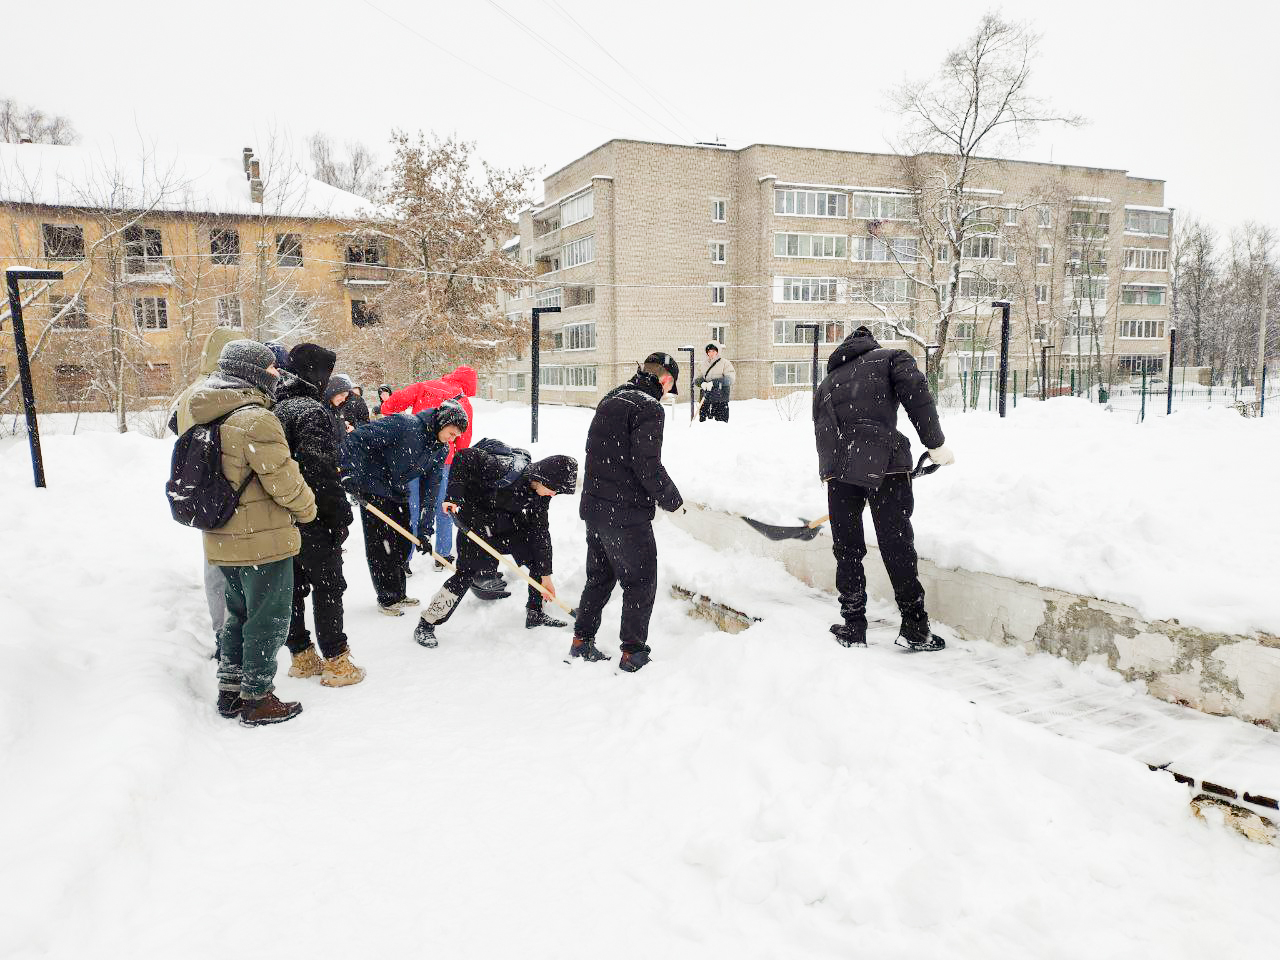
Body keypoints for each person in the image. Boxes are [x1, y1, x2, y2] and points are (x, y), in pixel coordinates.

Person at [186, 339, 317, 725]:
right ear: (253, 373)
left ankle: (230, 690)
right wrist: (308, 510)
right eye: (272, 369)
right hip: (262, 538)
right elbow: (283, 480)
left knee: (238, 614)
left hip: (224, 535)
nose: (278, 375)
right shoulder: (256, 419)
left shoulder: (210, 411)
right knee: (269, 616)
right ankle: (258, 698)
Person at [813, 325, 954, 652]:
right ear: (869, 344)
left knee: (847, 547)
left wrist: (838, 475)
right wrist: (935, 445)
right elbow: (917, 395)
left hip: (839, 471)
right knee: (896, 542)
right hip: (884, 461)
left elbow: (822, 434)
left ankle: (853, 625)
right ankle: (915, 627)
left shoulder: (826, 383)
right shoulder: (892, 358)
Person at [571, 353, 685, 672]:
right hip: (625, 513)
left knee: (600, 577)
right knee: (640, 581)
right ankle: (633, 653)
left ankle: (582, 640)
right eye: (670, 386)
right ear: (665, 380)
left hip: (595, 508)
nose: (667, 393)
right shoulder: (648, 408)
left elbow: (603, 453)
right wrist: (671, 499)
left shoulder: (612, 399)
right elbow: (646, 464)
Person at [412, 448, 579, 648]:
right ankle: (427, 623)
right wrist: (453, 496)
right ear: (543, 477)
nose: (553, 494)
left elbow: (541, 532)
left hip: (507, 526)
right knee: (465, 575)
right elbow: (464, 457)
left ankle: (535, 612)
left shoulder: (541, 497)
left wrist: (546, 575)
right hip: (475, 526)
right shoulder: (503, 468)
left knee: (537, 558)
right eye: (554, 488)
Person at [273, 343, 365, 687]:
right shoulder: (310, 411)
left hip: (281, 514)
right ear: (316, 373)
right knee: (328, 586)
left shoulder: (278, 405)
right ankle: (337, 662)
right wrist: (339, 516)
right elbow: (319, 470)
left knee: (293, 587)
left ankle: (302, 656)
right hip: (310, 514)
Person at [340, 398, 468, 615]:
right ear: (442, 422)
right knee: (382, 546)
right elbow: (357, 438)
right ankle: (387, 598)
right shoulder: (405, 425)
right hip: (374, 486)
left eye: (457, 436)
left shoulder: (440, 449)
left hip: (397, 490)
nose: (453, 439)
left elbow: (431, 491)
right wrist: (351, 474)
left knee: (402, 541)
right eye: (452, 432)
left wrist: (425, 532)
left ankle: (398, 593)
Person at [169, 326, 240, 646]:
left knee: (215, 558)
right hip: (224, 487)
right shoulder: (219, 390)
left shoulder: (191, 391)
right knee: (228, 566)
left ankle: (224, 629)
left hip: (201, 488)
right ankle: (229, 633)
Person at [379, 366, 478, 568]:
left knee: (411, 508)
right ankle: (442, 555)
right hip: (445, 461)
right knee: (444, 507)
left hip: (414, 455)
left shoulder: (424, 386)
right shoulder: (463, 402)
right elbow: (462, 439)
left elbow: (389, 407)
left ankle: (405, 557)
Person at [694, 343, 735, 422]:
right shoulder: (702, 364)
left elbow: (730, 379)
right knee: (703, 426)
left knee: (720, 426)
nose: (711, 353)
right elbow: (696, 379)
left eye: (713, 351)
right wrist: (702, 383)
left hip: (720, 400)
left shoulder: (725, 363)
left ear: (717, 352)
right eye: (709, 351)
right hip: (705, 399)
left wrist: (714, 383)